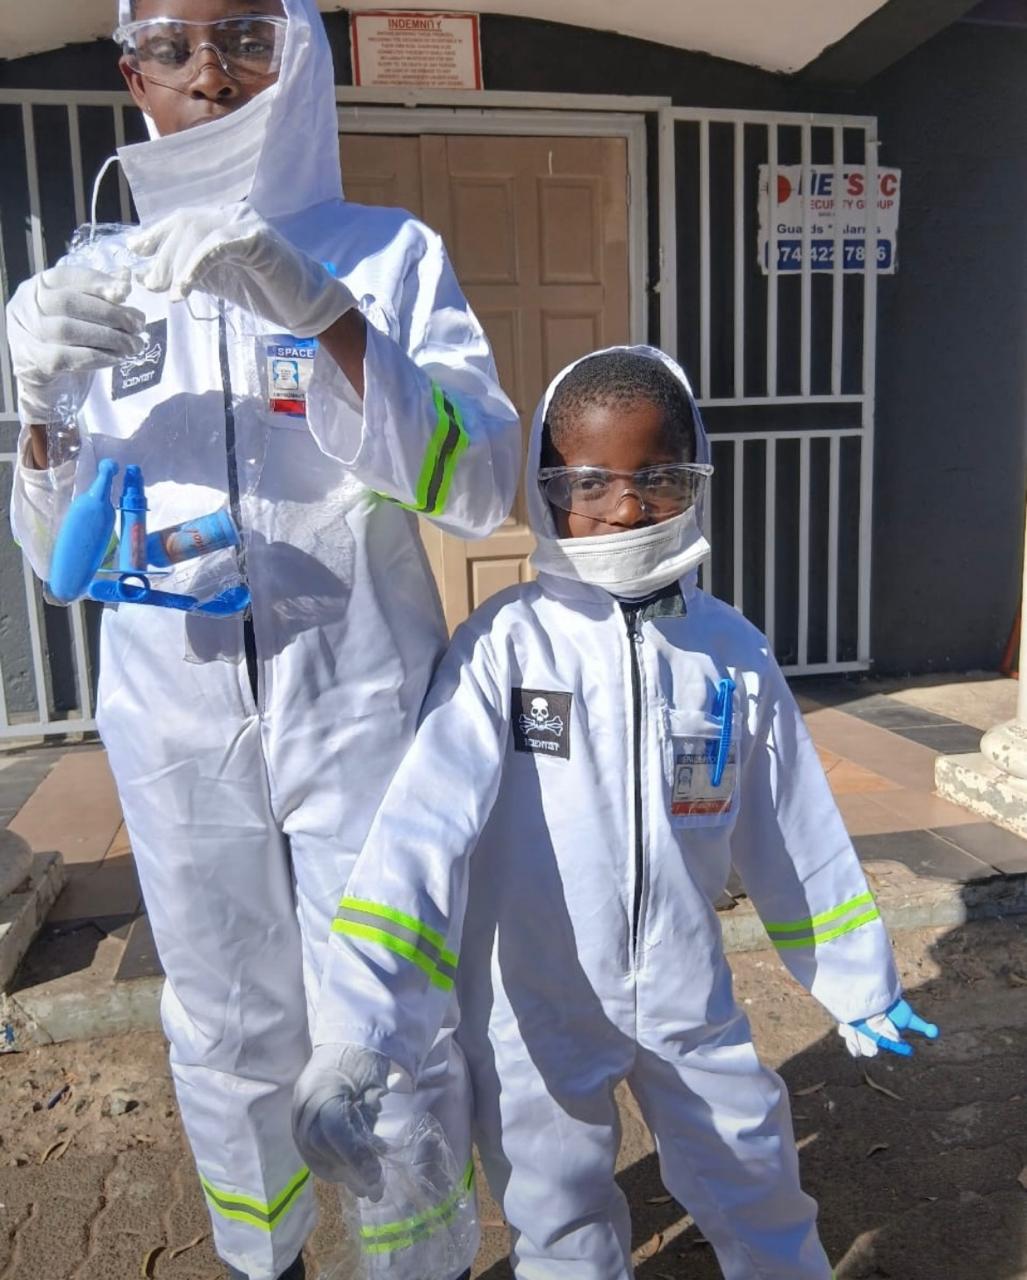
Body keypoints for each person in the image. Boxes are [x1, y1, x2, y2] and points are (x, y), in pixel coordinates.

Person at [5, 3, 520, 1279]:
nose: (213, 74)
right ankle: (265, 1255)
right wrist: (33, 415)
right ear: (133, 77)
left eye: (244, 34)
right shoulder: (83, 283)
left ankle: (416, 1258)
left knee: (385, 1010)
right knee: (223, 1014)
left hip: (358, 694)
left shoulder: (389, 253)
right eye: (175, 46)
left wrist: (326, 314)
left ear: (300, 54)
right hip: (174, 719)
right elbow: (47, 554)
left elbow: (482, 481)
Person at [292, 346, 939, 1279]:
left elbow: (790, 826)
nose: (626, 508)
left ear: (697, 476)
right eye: (589, 482)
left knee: (754, 1175)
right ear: (545, 489)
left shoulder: (728, 653)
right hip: (534, 1008)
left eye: (659, 479)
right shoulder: (502, 651)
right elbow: (418, 838)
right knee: (557, 1219)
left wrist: (856, 976)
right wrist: (357, 1026)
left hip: (685, 989)